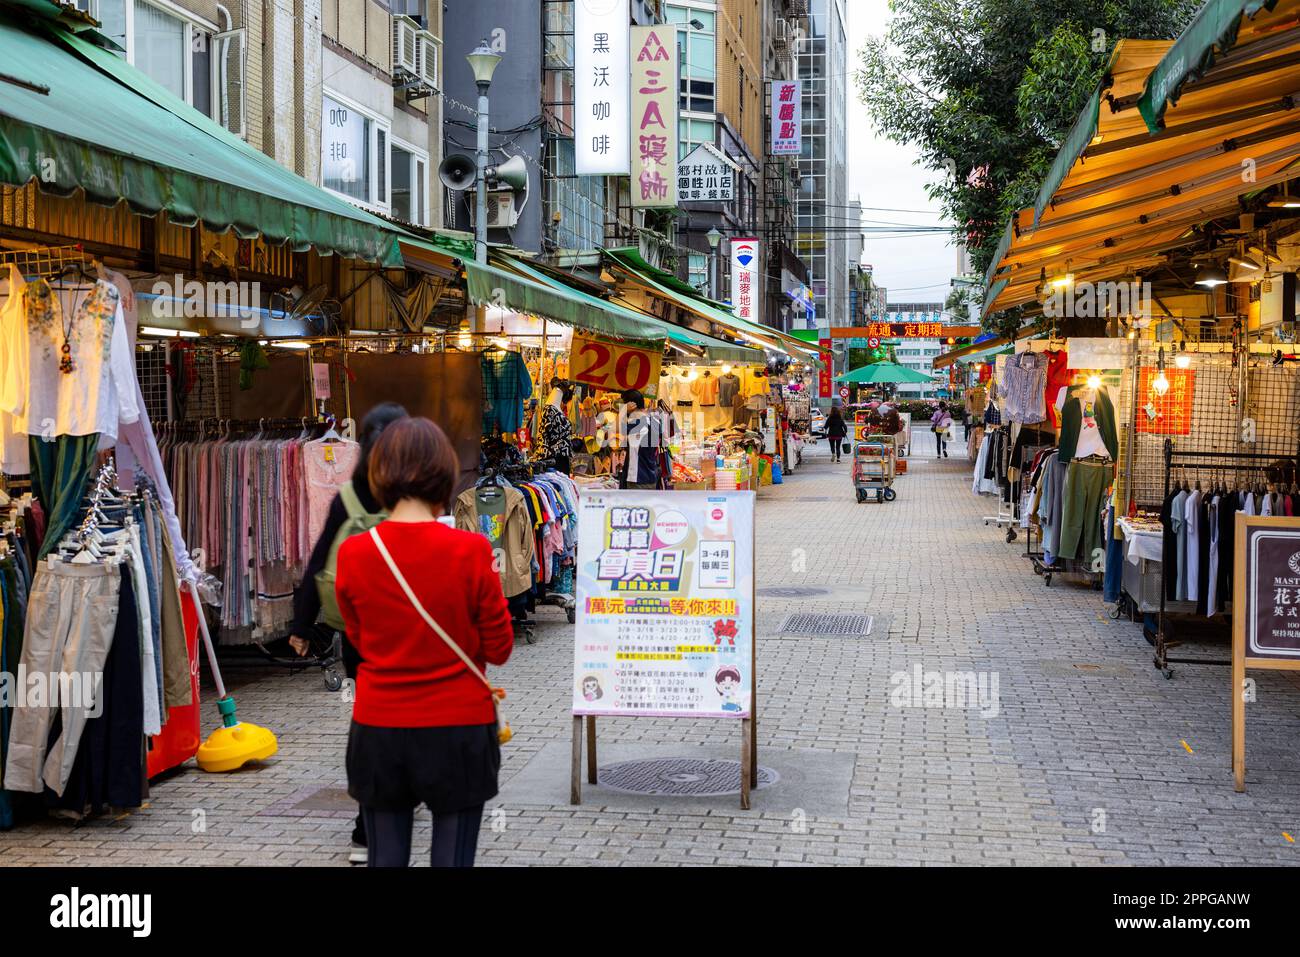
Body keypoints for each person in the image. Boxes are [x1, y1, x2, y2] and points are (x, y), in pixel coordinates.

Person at [335, 417, 514, 868]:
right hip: (458, 726)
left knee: (385, 858)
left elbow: (357, 638)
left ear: (380, 472)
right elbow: (500, 647)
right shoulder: (472, 551)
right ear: (444, 472)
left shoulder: (355, 553)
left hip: (379, 727)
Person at [288, 401, 408, 864]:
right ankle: (390, 807)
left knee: (371, 724)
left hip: (361, 638)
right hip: (409, 635)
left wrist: (302, 626)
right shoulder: (416, 495)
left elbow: (318, 561)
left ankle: (369, 824)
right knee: (405, 724)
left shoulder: (349, 498)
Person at [618, 389, 662, 489]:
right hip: (650, 475)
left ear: (631, 405)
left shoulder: (637, 423)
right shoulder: (654, 421)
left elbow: (615, 429)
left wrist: (623, 410)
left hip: (638, 478)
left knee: (635, 505)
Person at [542, 378, 575, 474]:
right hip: (553, 459)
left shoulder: (555, 409)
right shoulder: (549, 410)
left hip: (561, 458)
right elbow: (545, 435)